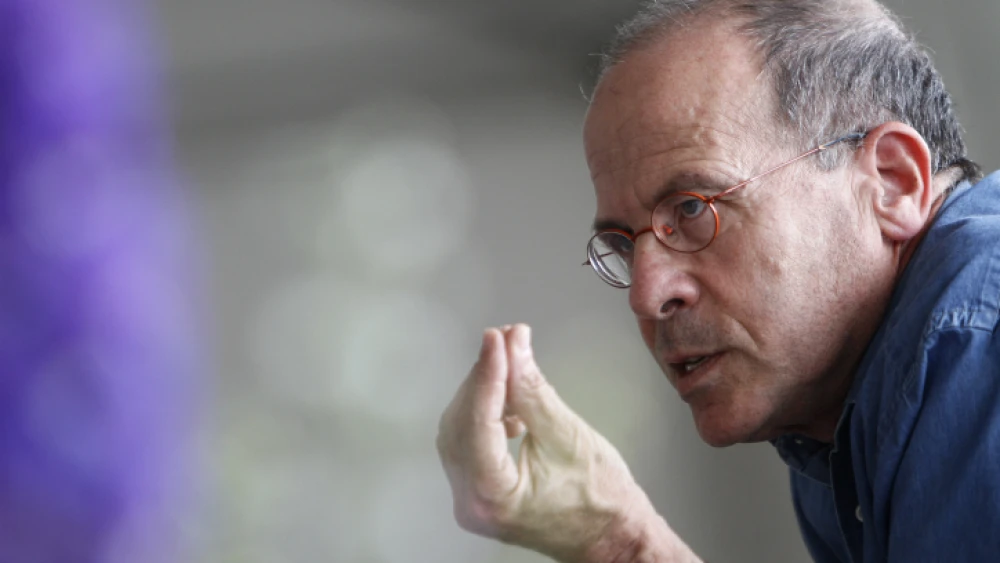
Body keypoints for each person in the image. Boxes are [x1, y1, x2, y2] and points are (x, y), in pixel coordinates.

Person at [436, 0, 1000, 561]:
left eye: (693, 210)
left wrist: (624, 544)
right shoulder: (828, 409)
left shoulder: (972, 341)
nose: (648, 295)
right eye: (623, 246)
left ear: (892, 183)